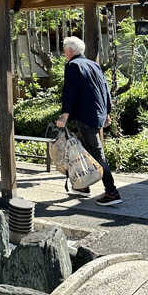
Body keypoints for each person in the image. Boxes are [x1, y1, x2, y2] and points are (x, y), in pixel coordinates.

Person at [55, 36, 122, 205]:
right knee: (83, 151)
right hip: (97, 114)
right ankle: (83, 186)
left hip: (85, 116)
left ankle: (112, 192)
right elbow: (104, 88)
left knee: (97, 154)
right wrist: (107, 112)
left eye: (64, 50)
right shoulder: (93, 64)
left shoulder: (72, 65)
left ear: (70, 51)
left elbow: (69, 93)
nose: (64, 54)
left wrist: (64, 115)